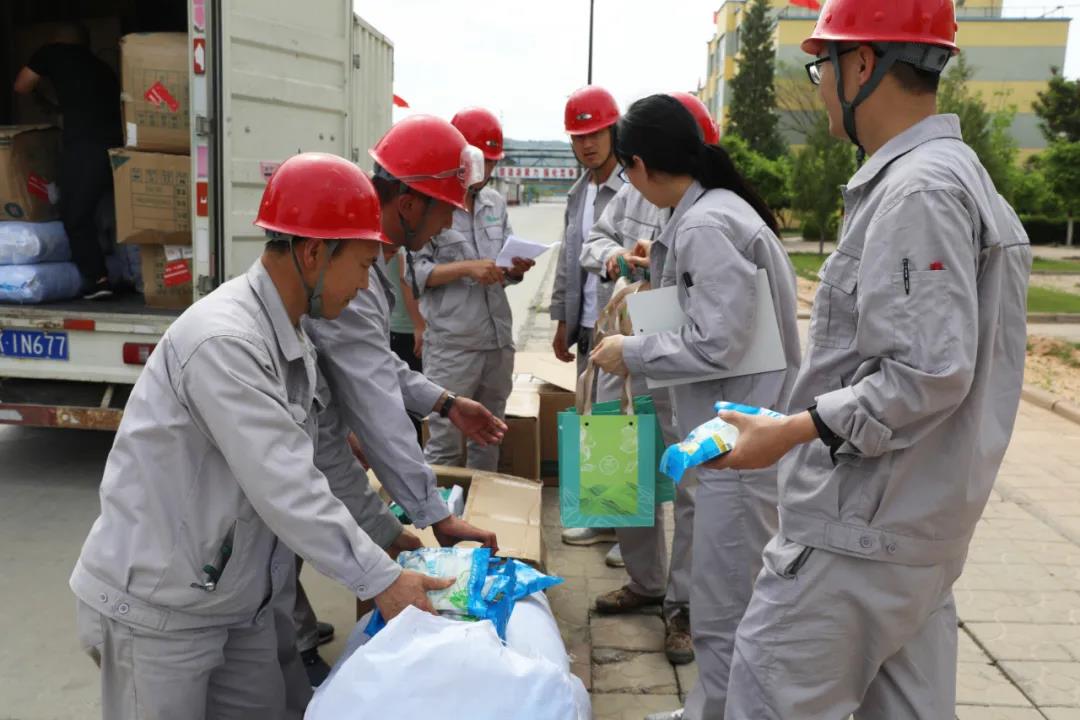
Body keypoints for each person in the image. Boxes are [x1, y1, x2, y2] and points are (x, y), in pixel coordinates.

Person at [700, 1, 1033, 717]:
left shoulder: (918, 190)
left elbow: (927, 372)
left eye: (822, 65)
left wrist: (787, 434)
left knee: (764, 702)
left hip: (857, 539)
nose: (819, 84)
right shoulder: (956, 178)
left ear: (862, 63)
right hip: (915, 534)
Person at [69, 153, 455, 720]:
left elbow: (322, 452)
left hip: (236, 600)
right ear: (314, 252)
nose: (367, 287)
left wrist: (388, 535)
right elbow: (285, 482)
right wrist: (380, 579)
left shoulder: (292, 336)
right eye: (364, 265)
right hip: (158, 610)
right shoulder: (226, 342)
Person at [587, 95, 801, 720]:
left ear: (641, 164)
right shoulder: (704, 214)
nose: (626, 183)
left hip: (738, 441)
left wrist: (634, 350)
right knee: (719, 596)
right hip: (727, 435)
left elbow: (719, 341)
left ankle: (722, 711)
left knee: (727, 604)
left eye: (626, 170)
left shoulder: (707, 225)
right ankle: (710, 706)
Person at [299, 116, 505, 679]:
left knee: (363, 553)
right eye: (443, 208)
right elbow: (377, 408)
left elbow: (375, 365)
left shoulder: (365, 259)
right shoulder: (355, 269)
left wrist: (444, 402)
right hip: (307, 444)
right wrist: (436, 515)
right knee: (382, 554)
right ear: (409, 203)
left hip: (317, 436)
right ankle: (355, 681)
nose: (445, 224)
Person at [576, 92, 723, 666]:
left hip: (679, 349)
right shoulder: (636, 189)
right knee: (620, 460)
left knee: (688, 481)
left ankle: (683, 604)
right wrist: (619, 256)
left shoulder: (714, 210)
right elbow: (592, 243)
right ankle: (645, 580)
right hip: (634, 337)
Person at [414, 107, 535, 470]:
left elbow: (507, 261)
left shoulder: (495, 204)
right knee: (444, 447)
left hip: (497, 343)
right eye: (485, 162)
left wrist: (516, 269)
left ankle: (482, 519)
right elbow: (416, 272)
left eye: (494, 164)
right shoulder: (431, 203)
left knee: (489, 440)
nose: (489, 172)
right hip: (453, 348)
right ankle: (439, 522)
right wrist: (468, 267)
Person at [554, 85, 629, 551]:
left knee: (623, 423)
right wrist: (562, 321)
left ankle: (631, 533)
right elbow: (569, 259)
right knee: (596, 423)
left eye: (596, 133)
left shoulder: (633, 187)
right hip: (588, 326)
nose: (588, 144)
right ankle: (604, 517)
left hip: (623, 329)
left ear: (613, 130)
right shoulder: (578, 192)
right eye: (579, 135)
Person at [14, 23, 121, 299]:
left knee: (75, 215)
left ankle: (99, 280)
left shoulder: (52, 53)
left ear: (57, 39)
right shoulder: (103, 69)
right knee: (101, 212)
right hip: (115, 149)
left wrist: (42, 99)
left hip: (84, 148)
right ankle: (118, 273)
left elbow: (22, 85)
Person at [387, 245, 426, 444]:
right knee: (412, 407)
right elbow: (405, 278)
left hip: (399, 326)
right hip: (406, 329)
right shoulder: (407, 232)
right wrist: (419, 324)